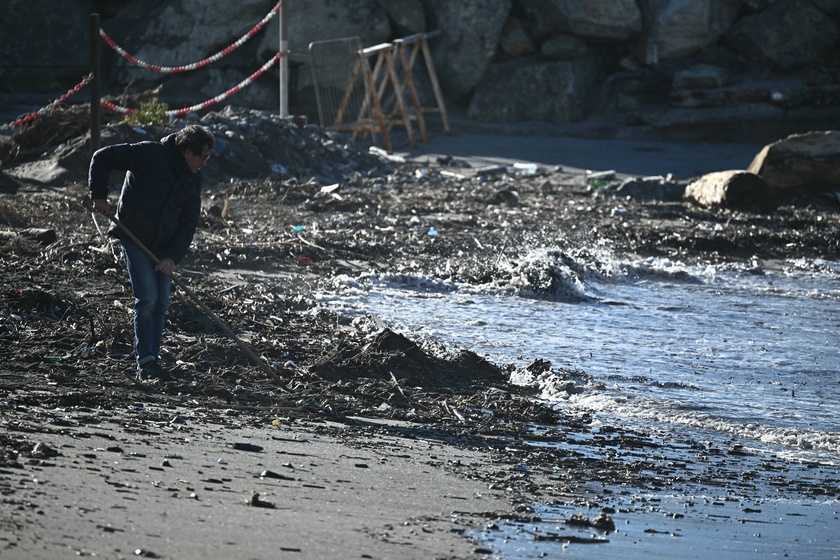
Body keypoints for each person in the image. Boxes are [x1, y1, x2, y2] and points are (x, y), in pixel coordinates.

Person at [88, 124, 215, 382]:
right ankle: (145, 362)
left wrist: (172, 257)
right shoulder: (149, 154)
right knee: (146, 299)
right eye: (203, 156)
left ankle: (153, 361)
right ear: (187, 151)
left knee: (161, 304)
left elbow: (188, 222)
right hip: (135, 237)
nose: (204, 163)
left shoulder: (193, 176)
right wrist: (99, 196)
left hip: (164, 247)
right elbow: (102, 157)